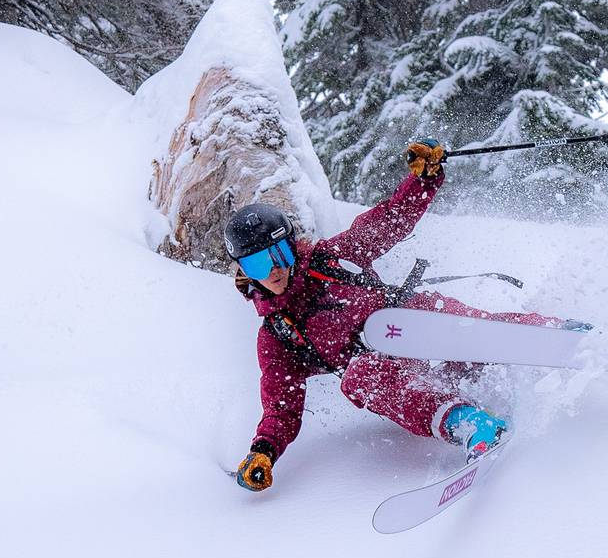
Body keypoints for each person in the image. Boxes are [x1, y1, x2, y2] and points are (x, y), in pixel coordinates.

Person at [228, 137, 561, 492]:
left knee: (449, 318)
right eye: (258, 262)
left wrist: (424, 178)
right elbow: (281, 405)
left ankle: (562, 334)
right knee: (357, 376)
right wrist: (263, 450)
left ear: (291, 245)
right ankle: (468, 423)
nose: (274, 269)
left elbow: (390, 220)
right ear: (245, 270)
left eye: (279, 252)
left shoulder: (331, 259)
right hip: (400, 376)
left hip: (418, 325)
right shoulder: (280, 334)